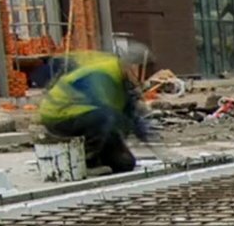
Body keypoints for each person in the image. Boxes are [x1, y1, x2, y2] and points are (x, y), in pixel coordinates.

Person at [40, 38, 153, 176]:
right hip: (59, 115)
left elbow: (132, 117)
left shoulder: (124, 81)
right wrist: (125, 125)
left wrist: (160, 150)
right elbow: (100, 106)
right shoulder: (104, 73)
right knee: (108, 116)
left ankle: (100, 160)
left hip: (89, 117)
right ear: (133, 66)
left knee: (125, 164)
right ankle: (88, 162)